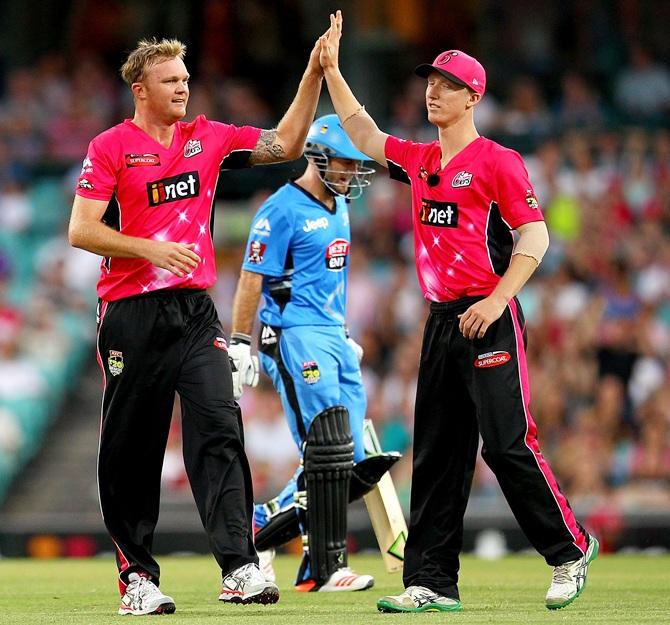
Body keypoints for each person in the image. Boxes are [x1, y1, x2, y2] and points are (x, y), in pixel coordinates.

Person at [317, 11, 598, 613]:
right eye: (429, 82)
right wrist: (332, 71)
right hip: (443, 321)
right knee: (438, 456)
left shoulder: (498, 161)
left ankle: (570, 552)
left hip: (489, 315)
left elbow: (536, 238)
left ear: (474, 97)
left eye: (446, 84)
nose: (432, 91)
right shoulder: (421, 163)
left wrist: (497, 298)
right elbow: (365, 135)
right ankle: (430, 581)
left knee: (506, 445)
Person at [68, 35, 326, 615]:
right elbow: (81, 230)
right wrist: (149, 249)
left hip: (193, 313)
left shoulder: (207, 137)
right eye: (170, 80)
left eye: (185, 78)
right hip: (131, 314)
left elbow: (285, 143)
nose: (183, 86)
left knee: (219, 427)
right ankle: (136, 577)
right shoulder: (110, 147)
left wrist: (312, 71)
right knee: (134, 448)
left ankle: (239, 567)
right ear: (140, 89)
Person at [228, 113, 397, 592]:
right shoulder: (280, 209)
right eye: (344, 163)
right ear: (319, 156)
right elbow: (250, 278)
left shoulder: (339, 205)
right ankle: (323, 568)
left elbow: (329, 277)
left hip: (330, 335)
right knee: (328, 450)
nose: (351, 173)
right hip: (292, 334)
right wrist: (242, 342)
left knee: (354, 463)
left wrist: (341, 332)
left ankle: (260, 527)